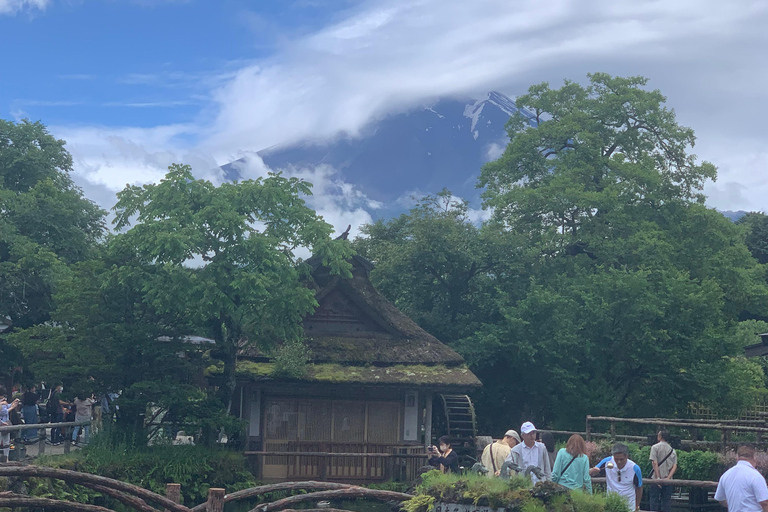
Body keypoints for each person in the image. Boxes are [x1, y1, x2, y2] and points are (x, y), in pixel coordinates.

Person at [715, 444, 768, 512]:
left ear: (737, 457)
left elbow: (720, 499)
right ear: (755, 457)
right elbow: (764, 502)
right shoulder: (755, 476)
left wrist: (735, 504)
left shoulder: (726, 475)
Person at [590, 442, 643, 511]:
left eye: (621, 459)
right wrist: (592, 471)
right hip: (612, 503)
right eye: (616, 459)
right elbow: (592, 472)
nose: (619, 462)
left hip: (629, 505)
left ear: (627, 456)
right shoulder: (607, 462)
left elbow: (639, 487)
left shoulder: (634, 468)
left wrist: (637, 505)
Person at [649, 429, 678, 512]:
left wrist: (658, 477)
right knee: (666, 501)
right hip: (668, 479)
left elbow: (654, 462)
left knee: (654, 500)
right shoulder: (672, 450)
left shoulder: (654, 447)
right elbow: (674, 466)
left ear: (660, 436)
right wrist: (668, 478)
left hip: (655, 478)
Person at [0, 387, 21, 458]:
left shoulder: (3, 401)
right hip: (2, 423)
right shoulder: (1, 402)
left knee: (6, 441)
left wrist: (13, 403)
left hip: (5, 423)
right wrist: (12, 408)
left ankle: (6, 457)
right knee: (2, 440)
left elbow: (7, 406)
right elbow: (3, 412)